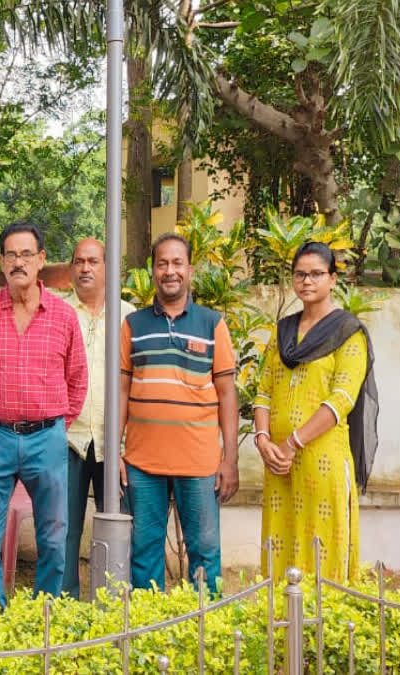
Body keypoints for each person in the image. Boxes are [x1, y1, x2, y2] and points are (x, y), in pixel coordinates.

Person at [0, 222, 87, 607]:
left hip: (47, 438)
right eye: (10, 255)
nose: (18, 262)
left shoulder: (64, 316)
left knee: (54, 536)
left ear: (40, 261)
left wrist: (53, 427)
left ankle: (42, 616)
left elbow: (77, 379)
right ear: (1, 262)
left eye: (26, 255)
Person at [119, 233, 239, 595]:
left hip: (199, 464)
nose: (169, 271)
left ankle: (204, 633)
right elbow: (123, 390)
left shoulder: (212, 324)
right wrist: (117, 453)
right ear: (152, 270)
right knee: (143, 554)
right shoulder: (133, 326)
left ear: (190, 269)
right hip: (142, 463)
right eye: (162, 264)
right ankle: (147, 631)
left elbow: (227, 394)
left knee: (204, 553)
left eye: (177, 263)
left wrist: (229, 458)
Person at [252, 241, 377, 583]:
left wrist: (292, 443)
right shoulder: (282, 332)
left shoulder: (348, 333)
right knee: (280, 548)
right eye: (300, 274)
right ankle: (282, 627)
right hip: (278, 464)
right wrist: (263, 440)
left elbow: (341, 400)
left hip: (323, 461)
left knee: (322, 549)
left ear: (333, 279)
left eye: (316, 274)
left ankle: (324, 627)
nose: (307, 281)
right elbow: (263, 390)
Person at [60, 238, 135, 599]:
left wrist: (124, 443)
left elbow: (136, 382)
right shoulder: (57, 313)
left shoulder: (128, 317)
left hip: (113, 444)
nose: (85, 268)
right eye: (78, 261)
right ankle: (64, 608)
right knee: (64, 530)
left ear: (108, 267)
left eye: (93, 261)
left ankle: (112, 604)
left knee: (118, 526)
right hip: (68, 438)